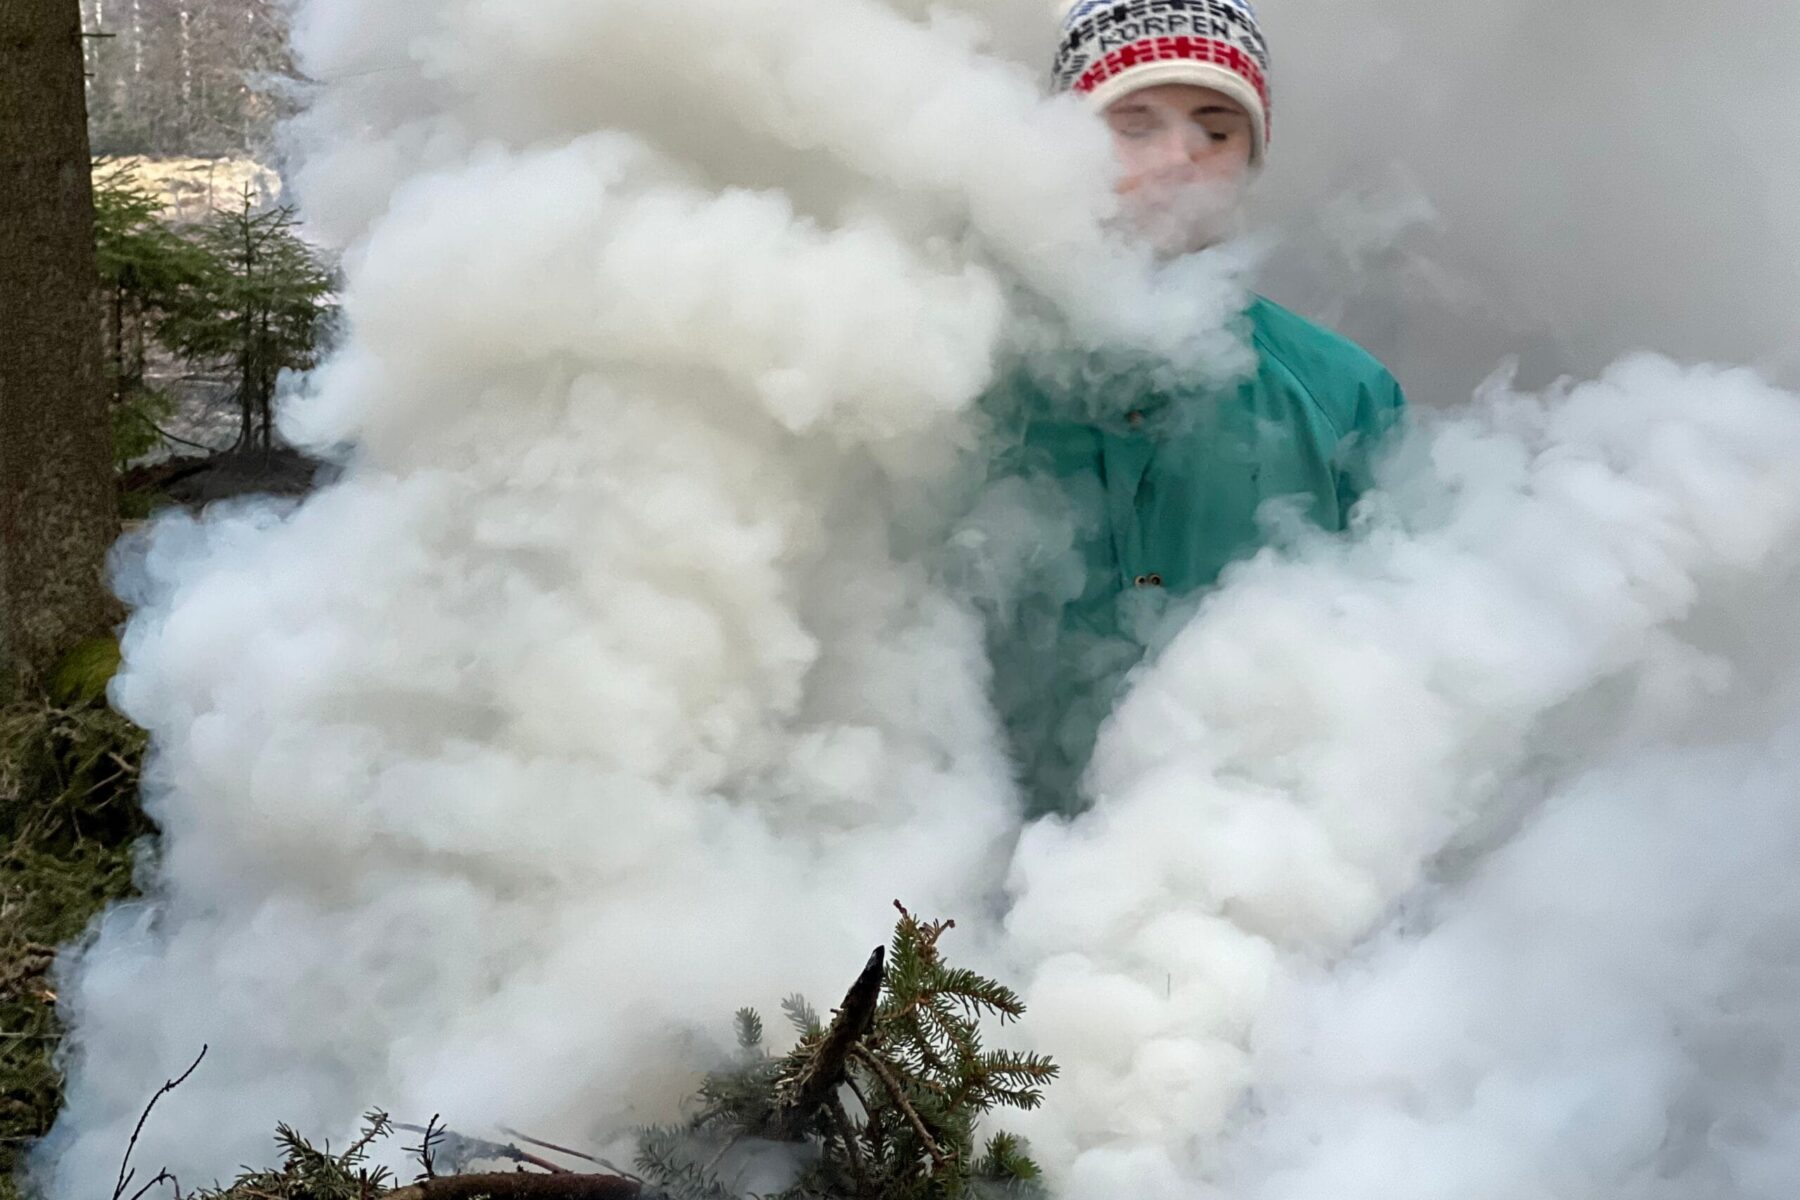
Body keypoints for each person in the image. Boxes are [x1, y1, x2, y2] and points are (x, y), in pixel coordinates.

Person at [982, 0, 1408, 817]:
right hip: (956, 898)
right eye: (1133, 122)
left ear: (1252, 154)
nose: (1179, 157)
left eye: (1216, 128)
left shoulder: (1344, 395)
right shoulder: (962, 379)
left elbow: (1393, 683)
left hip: (1257, 887)